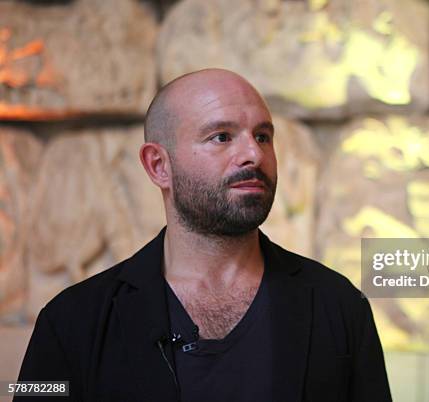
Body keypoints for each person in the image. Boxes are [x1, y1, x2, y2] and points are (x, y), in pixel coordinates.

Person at [15, 69, 392, 402]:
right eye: (222, 136)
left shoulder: (339, 305)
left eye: (263, 136)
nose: (253, 155)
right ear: (159, 165)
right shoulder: (71, 321)